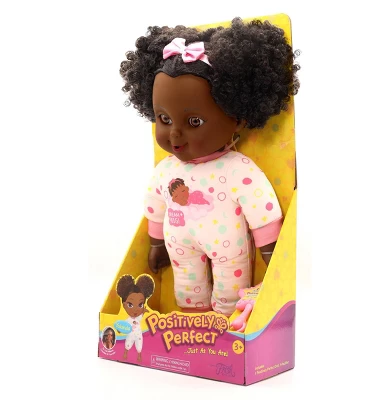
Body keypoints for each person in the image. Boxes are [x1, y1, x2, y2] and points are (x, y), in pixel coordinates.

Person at [120, 17, 300, 316]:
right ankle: (191, 322)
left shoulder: (237, 169)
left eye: (194, 122)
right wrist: (156, 242)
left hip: (229, 247)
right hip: (179, 246)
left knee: (231, 287)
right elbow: (155, 204)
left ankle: (225, 323)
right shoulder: (166, 170)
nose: (175, 134)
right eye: (164, 119)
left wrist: (270, 249)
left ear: (237, 120)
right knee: (186, 286)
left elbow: (261, 205)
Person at [116, 274, 155, 362]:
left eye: (140, 305)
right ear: (124, 305)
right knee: (128, 343)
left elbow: (141, 314)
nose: (135, 310)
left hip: (138, 335)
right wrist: (119, 330)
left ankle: (139, 355)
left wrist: (144, 310)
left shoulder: (138, 318)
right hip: (130, 334)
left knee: (139, 344)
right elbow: (123, 325)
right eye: (130, 305)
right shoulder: (128, 320)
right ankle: (125, 352)